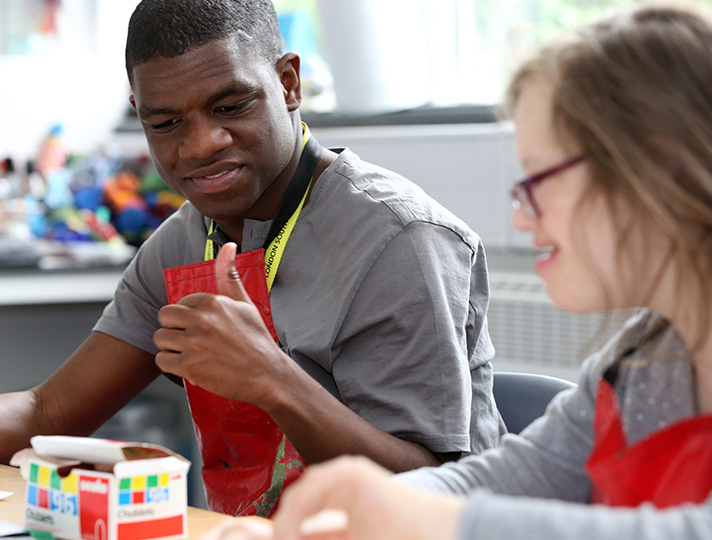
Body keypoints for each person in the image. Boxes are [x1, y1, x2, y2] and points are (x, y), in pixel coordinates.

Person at [200, 1, 712, 538]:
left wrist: (438, 518)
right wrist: (352, 506)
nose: (519, 214)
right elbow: (517, 476)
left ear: (656, 169)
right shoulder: (640, 363)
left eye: (538, 181)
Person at [0, 0, 502, 518]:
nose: (200, 145)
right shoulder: (185, 239)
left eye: (231, 106)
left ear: (288, 83)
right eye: (167, 122)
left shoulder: (398, 239)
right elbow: (48, 410)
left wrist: (272, 378)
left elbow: (430, 495)